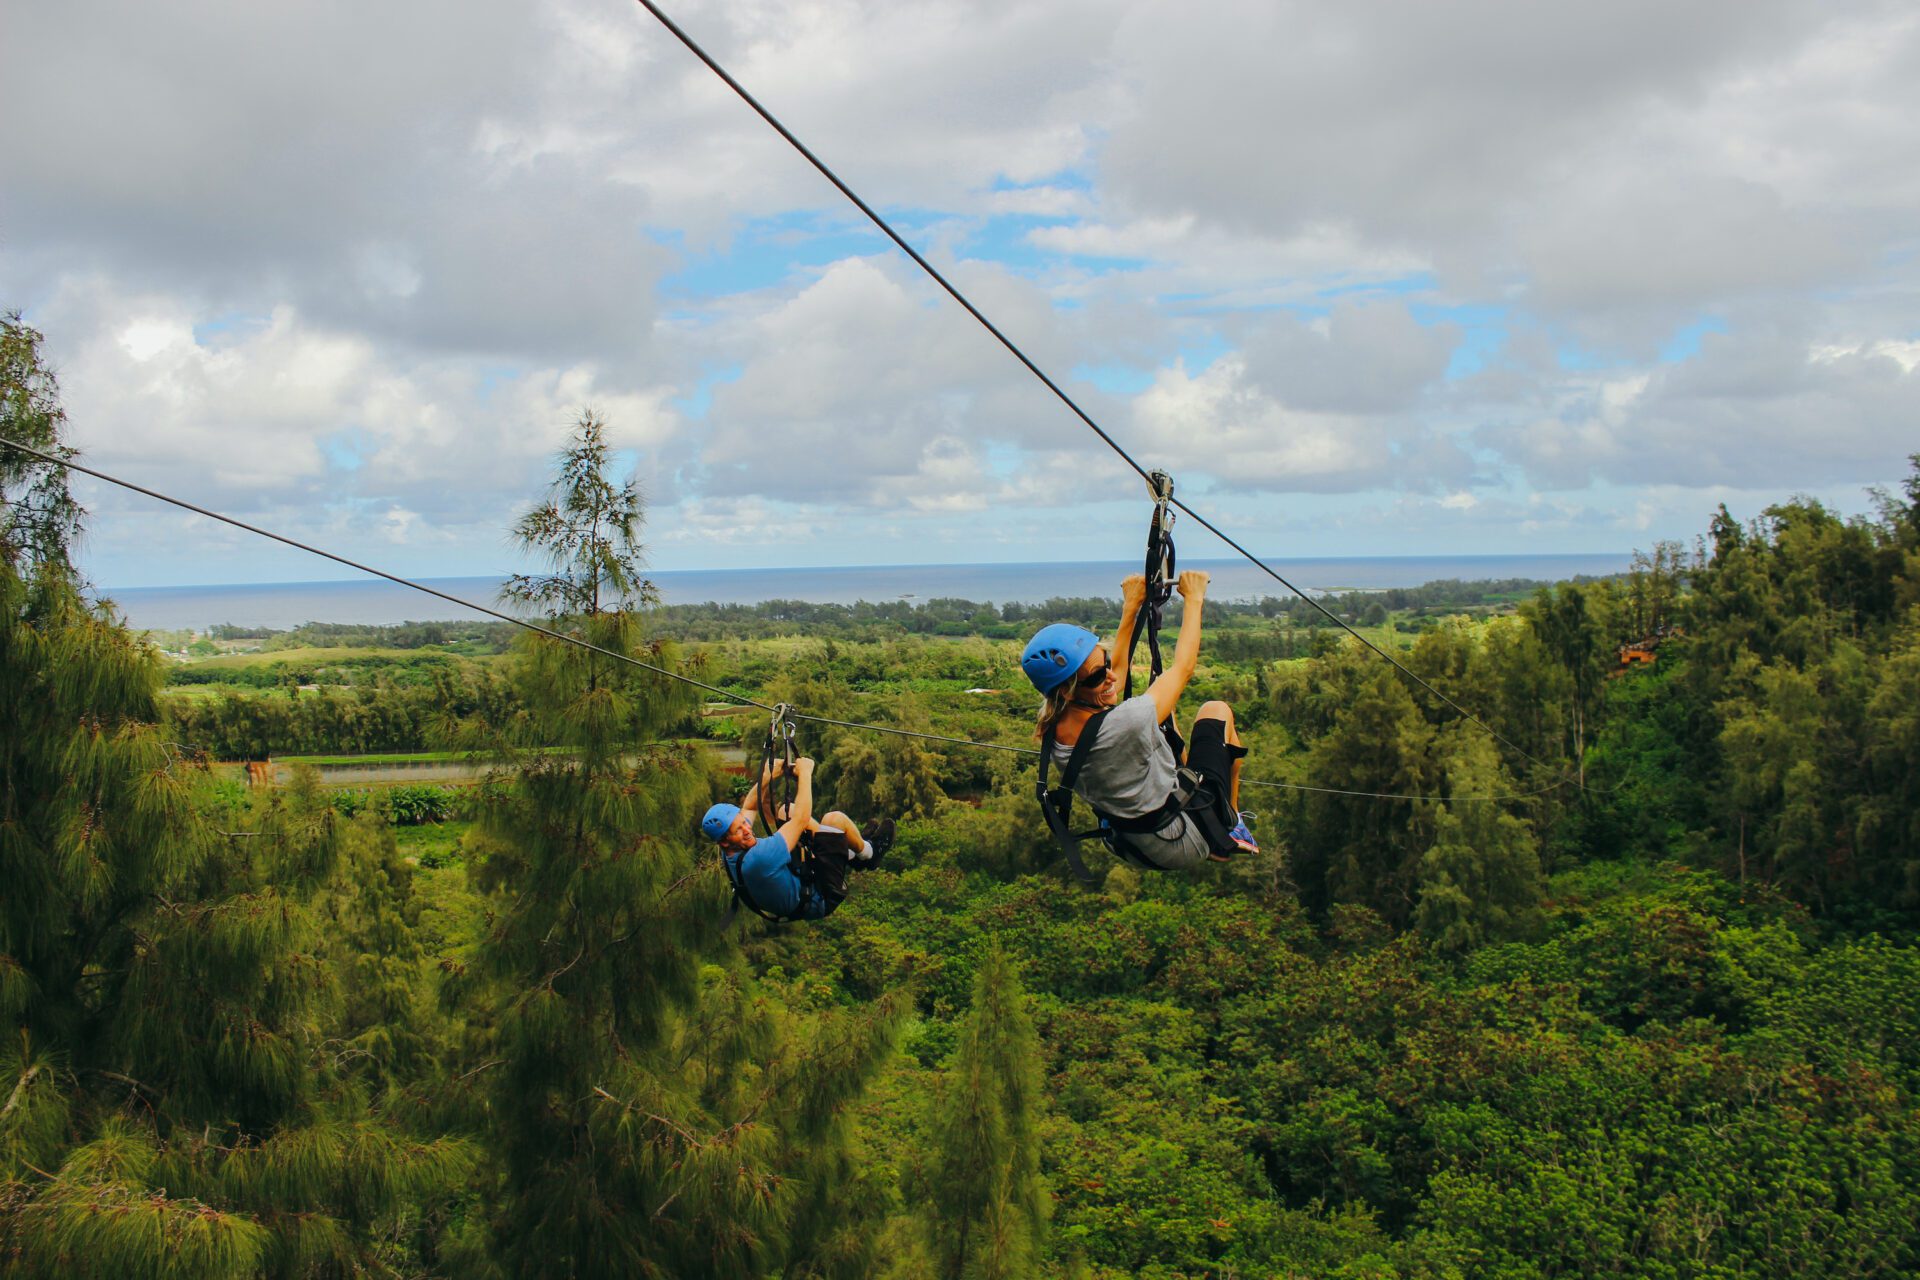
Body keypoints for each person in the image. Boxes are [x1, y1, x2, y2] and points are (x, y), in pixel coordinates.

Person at [1022, 569, 1256, 870]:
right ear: (1068, 692)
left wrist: (1131, 608)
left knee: (1165, 717)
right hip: (1181, 839)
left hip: (1133, 841)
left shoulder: (1054, 723)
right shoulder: (1126, 723)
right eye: (1097, 675)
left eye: (1104, 662)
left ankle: (1217, 813)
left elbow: (1114, 680)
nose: (1109, 675)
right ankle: (1231, 821)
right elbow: (1183, 668)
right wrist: (1194, 598)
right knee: (1216, 710)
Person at [700, 755, 895, 921]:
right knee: (834, 819)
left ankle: (849, 851)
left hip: (799, 886)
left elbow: (750, 807)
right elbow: (802, 819)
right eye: (739, 829)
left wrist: (769, 774)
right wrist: (806, 773)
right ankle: (869, 854)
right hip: (821, 896)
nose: (746, 829)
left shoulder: (733, 849)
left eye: (743, 822)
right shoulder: (759, 859)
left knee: (787, 810)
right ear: (725, 841)